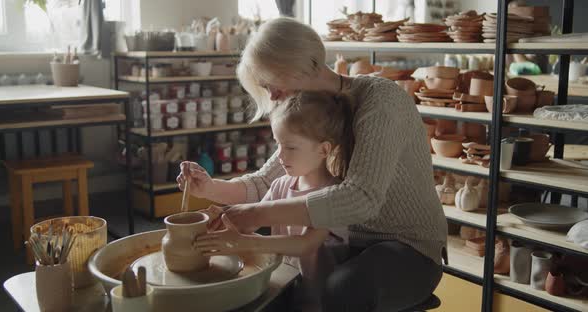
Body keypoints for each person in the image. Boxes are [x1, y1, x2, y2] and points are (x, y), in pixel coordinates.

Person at [177, 17, 447, 311]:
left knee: (342, 289)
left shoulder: (381, 102)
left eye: (272, 85)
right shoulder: (309, 113)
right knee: (271, 285)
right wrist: (210, 188)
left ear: (300, 67)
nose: (272, 98)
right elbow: (265, 183)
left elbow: (361, 198)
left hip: (408, 248)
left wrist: (252, 215)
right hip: (342, 242)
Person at [193, 91, 355, 310]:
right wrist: (222, 218)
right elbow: (251, 221)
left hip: (320, 299)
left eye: (290, 147)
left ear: (323, 149)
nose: (280, 155)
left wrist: (245, 243)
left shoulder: (334, 195)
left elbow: (305, 245)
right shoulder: (281, 184)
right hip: (284, 285)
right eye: (278, 144)